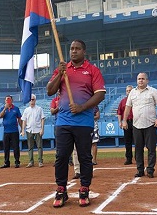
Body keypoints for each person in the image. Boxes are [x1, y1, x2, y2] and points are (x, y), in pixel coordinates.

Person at [47, 39, 106, 208]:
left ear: (84, 51)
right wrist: (59, 73)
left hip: (84, 122)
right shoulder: (63, 69)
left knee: (85, 157)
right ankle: (61, 190)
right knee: (61, 157)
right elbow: (50, 90)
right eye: (72, 49)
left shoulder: (92, 70)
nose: (73, 51)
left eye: (77, 49)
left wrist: (82, 107)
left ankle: (84, 189)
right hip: (63, 121)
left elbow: (100, 94)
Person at [122, 72, 157, 178]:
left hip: (150, 124)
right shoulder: (132, 92)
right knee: (138, 149)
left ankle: (150, 170)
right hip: (136, 125)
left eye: (143, 79)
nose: (140, 80)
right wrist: (124, 120)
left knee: (151, 148)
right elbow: (127, 107)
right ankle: (140, 170)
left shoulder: (153, 91)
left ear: (147, 80)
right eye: (139, 79)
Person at [72, 106, 100, 179]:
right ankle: (77, 171)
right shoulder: (72, 105)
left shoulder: (90, 104)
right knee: (75, 150)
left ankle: (88, 171)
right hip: (75, 126)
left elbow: (97, 115)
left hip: (86, 127)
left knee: (87, 149)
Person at [21, 94, 45, 168]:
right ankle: (31, 161)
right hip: (29, 130)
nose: (32, 101)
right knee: (30, 147)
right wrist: (23, 130)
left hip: (38, 130)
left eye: (33, 100)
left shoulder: (39, 109)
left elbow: (42, 119)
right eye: (31, 100)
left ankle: (40, 161)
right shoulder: (26, 110)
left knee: (39, 146)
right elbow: (24, 121)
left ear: (35, 100)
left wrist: (42, 129)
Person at [50, 92, 73, 166]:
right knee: (58, 143)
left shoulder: (68, 100)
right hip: (58, 123)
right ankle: (58, 160)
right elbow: (52, 111)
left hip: (68, 122)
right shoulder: (54, 100)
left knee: (69, 143)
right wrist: (59, 107)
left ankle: (69, 160)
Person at [0, 95, 22, 168]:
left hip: (14, 131)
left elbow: (19, 119)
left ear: (12, 101)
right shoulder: (3, 109)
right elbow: (0, 116)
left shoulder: (16, 109)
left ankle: (17, 162)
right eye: (6, 100)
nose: (7, 101)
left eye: (9, 100)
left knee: (16, 147)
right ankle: (6, 162)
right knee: (6, 148)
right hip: (6, 131)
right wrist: (5, 109)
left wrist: (22, 128)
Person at [117, 85, 134, 165]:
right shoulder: (123, 101)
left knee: (138, 142)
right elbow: (119, 112)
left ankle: (138, 158)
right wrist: (120, 122)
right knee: (127, 141)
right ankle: (128, 158)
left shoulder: (136, 100)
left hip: (136, 122)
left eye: (130, 90)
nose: (129, 92)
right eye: (127, 91)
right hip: (126, 122)